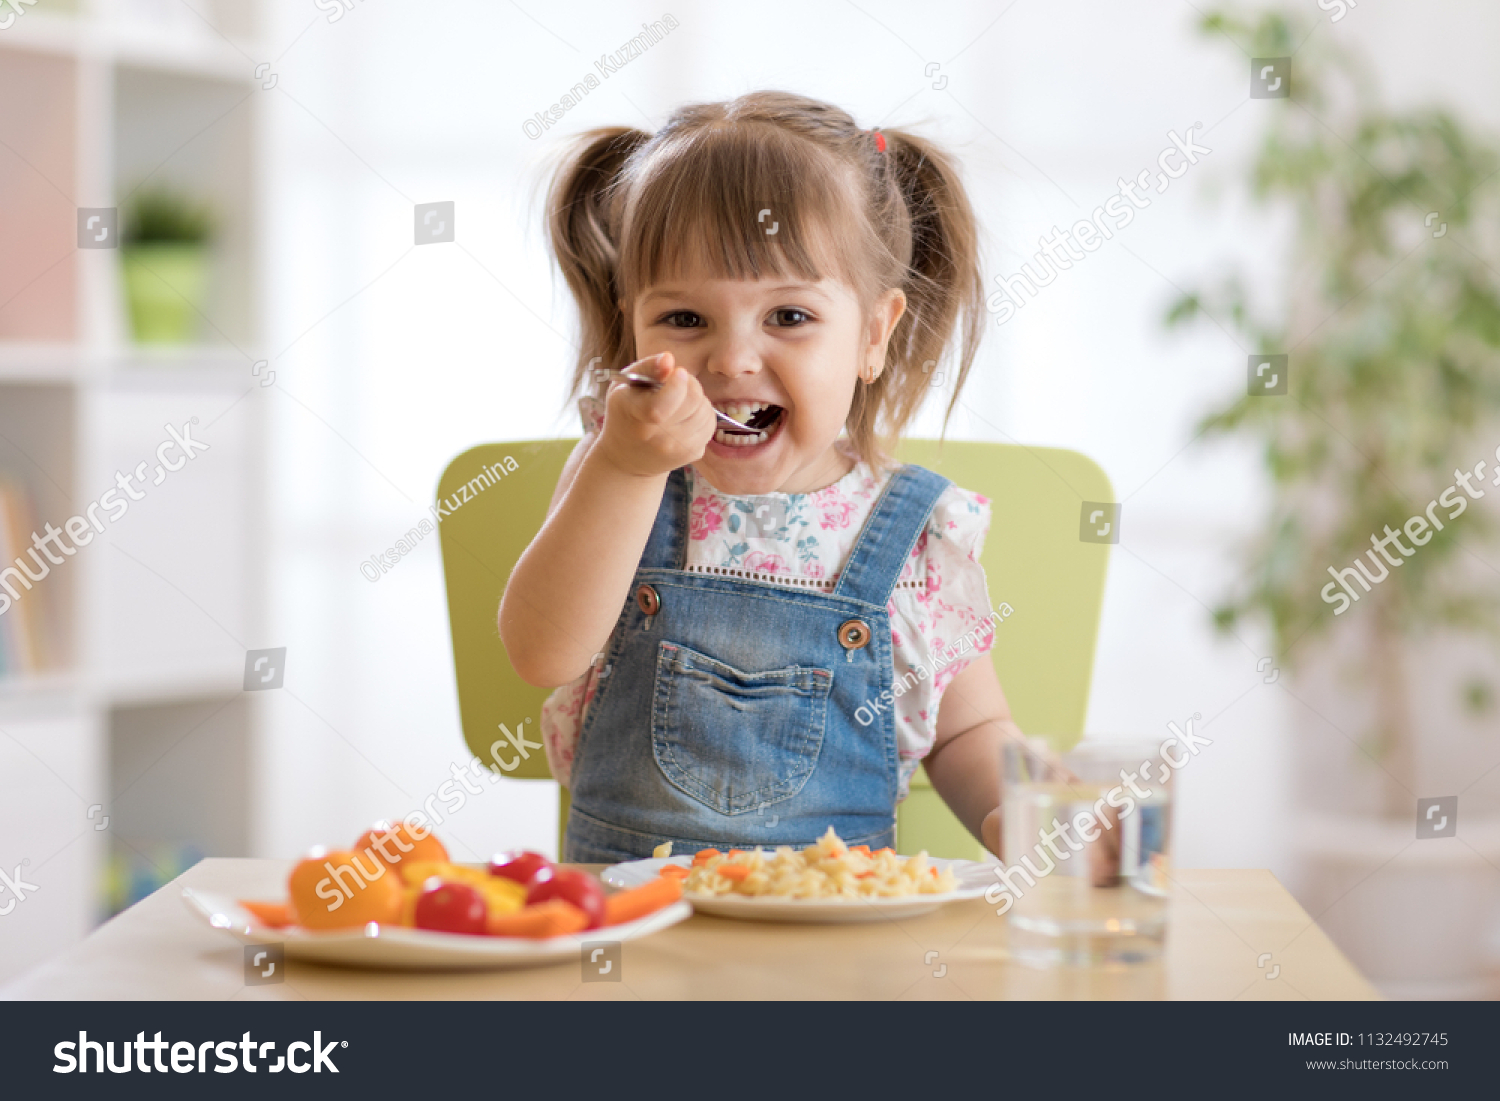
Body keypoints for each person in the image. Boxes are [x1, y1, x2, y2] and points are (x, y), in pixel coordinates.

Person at [501, 91, 1026, 863]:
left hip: (833, 952)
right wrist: (622, 463)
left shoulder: (915, 532)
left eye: (788, 316)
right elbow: (542, 653)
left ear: (872, 335)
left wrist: (1021, 819)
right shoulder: (618, 478)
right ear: (633, 326)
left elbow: (970, 730)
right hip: (632, 940)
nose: (732, 360)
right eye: (684, 318)